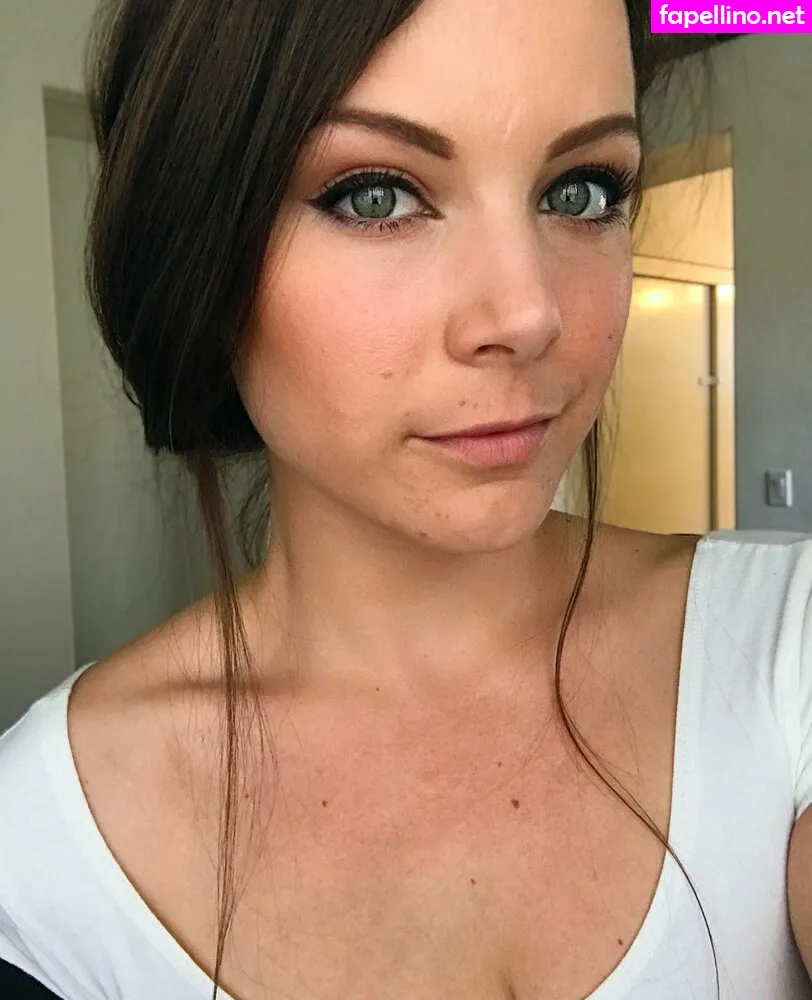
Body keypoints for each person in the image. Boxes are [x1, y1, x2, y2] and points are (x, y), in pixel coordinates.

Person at [2, 0, 812, 997]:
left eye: (580, 189)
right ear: (196, 250)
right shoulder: (40, 853)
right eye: (376, 196)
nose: (528, 313)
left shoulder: (786, 648)